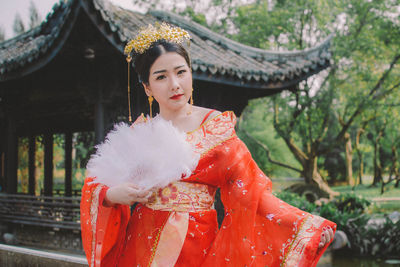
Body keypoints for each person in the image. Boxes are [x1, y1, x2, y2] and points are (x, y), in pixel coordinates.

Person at [80, 23, 336, 267]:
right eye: (161, 77)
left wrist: (306, 228)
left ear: (191, 74)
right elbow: (96, 184)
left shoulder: (216, 129)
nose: (175, 84)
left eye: (181, 72)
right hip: (140, 243)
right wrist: (113, 195)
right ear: (148, 87)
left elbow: (252, 193)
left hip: (198, 243)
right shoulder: (140, 132)